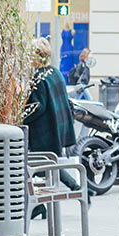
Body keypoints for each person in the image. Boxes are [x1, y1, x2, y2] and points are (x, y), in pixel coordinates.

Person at [24, 37, 80, 211]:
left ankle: (40, 206)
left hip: (44, 131)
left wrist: (22, 117)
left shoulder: (39, 78)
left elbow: (38, 108)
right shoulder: (55, 73)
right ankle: (76, 187)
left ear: (36, 56)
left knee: (39, 166)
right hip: (56, 128)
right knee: (46, 166)